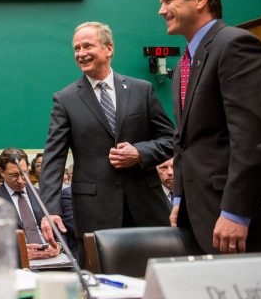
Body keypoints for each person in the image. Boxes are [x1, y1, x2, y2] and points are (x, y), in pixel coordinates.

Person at [158, 0, 261, 254]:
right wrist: (179, 199)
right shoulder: (185, 64)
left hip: (241, 218)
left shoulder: (236, 45)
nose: (162, 10)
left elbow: (253, 140)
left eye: (169, 0)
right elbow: (183, 140)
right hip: (201, 213)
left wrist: (236, 212)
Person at [38, 21, 174, 250]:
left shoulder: (142, 90)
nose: (81, 54)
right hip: (95, 212)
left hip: (146, 208)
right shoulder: (65, 99)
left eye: (87, 46)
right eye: (76, 48)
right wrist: (49, 210)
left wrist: (140, 153)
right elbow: (54, 157)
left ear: (109, 48)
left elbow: (171, 139)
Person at [0, 149, 62, 261]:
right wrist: (20, 253)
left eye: (24, 174)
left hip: (52, 258)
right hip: (16, 262)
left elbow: (62, 231)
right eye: (14, 175)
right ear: (2, 172)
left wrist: (59, 247)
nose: (20, 181)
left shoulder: (42, 196)